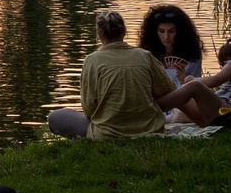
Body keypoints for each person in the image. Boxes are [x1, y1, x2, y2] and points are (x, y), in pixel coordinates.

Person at [48, 8, 179, 138]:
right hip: (149, 129)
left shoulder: (92, 60)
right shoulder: (144, 55)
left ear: (99, 34)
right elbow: (167, 88)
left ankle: (91, 136)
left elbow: (89, 108)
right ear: (124, 32)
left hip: (108, 133)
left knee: (56, 117)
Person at [139, 5, 206, 78]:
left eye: (171, 31)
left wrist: (185, 81)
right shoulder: (148, 53)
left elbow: (196, 85)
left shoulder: (192, 54)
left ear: (180, 32)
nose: (166, 37)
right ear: (154, 33)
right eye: (161, 31)